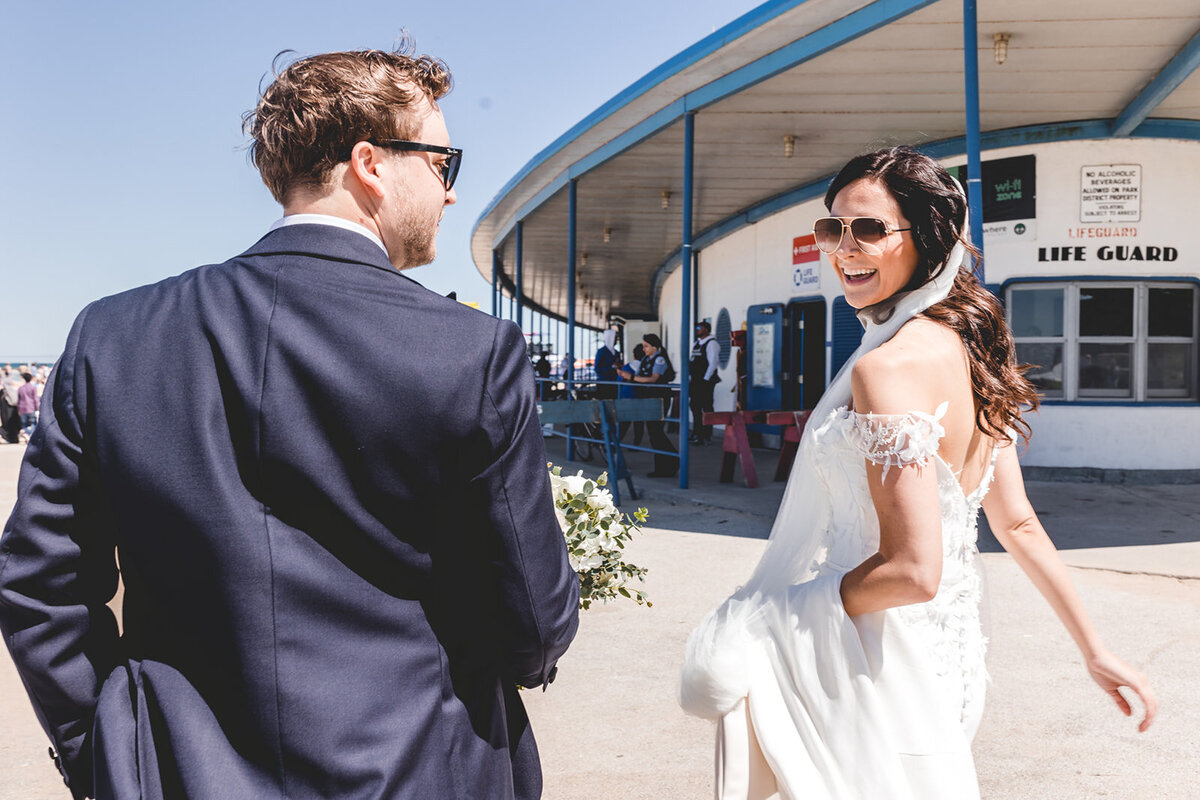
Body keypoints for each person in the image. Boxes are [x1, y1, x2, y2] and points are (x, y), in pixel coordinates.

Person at [0, 45, 579, 800]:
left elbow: (40, 583)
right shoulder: (470, 352)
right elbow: (532, 623)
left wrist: (105, 752)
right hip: (419, 769)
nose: (450, 194)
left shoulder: (113, 335)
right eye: (444, 164)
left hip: (175, 773)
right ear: (372, 164)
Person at [680, 147, 1155, 799]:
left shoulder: (887, 368)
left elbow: (913, 571)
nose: (844, 248)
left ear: (927, 238)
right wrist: (1094, 649)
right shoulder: (975, 350)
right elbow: (1016, 522)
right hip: (947, 663)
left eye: (870, 228)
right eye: (832, 228)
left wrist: (773, 615)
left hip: (865, 656)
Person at [620, 333, 678, 478]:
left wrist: (631, 377)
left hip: (658, 398)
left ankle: (669, 463)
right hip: (649, 398)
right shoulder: (647, 359)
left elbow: (653, 378)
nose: (644, 349)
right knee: (653, 433)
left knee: (656, 432)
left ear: (654, 347)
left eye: (646, 346)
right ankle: (666, 465)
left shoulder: (659, 359)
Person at [688, 320, 720, 444]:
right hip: (695, 380)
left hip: (704, 381)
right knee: (695, 406)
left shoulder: (711, 343)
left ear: (706, 329)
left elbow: (713, 363)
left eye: (699, 327)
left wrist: (706, 379)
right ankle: (697, 432)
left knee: (706, 407)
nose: (697, 330)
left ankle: (706, 435)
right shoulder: (697, 343)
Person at [594, 328, 620, 400]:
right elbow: (597, 369)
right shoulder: (601, 352)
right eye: (615, 338)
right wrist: (611, 367)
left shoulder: (617, 353)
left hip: (614, 382)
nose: (616, 340)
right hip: (604, 383)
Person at [16, 371, 39, 441]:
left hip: (22, 408)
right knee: (33, 423)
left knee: (24, 424)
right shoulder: (33, 388)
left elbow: (19, 400)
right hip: (31, 407)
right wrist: (37, 408)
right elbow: (35, 399)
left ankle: (25, 433)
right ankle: (27, 433)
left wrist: (18, 409)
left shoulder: (20, 388)